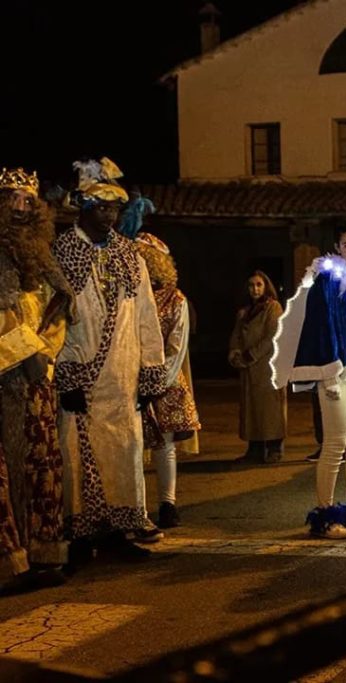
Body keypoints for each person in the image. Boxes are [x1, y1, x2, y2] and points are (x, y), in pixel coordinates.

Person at [54, 158, 166, 562]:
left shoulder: (129, 255)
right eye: (100, 208)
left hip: (123, 376)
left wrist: (151, 375)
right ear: (83, 207)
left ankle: (120, 530)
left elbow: (147, 317)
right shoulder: (63, 252)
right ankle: (83, 535)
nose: (108, 216)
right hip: (80, 374)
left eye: (114, 209)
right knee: (76, 454)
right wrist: (64, 374)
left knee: (125, 450)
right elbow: (51, 320)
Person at [271, 220, 346, 540]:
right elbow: (320, 326)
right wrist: (329, 373)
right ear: (336, 247)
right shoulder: (325, 279)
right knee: (335, 444)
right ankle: (326, 513)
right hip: (335, 371)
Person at [0, 167, 74, 591]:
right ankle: (11, 564)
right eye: (13, 199)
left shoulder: (40, 253)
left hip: (37, 376)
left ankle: (40, 554)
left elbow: (59, 306)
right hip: (6, 376)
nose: (22, 208)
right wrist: (23, 351)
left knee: (40, 466)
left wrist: (44, 350)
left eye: (29, 200)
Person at [133, 233, 201, 530]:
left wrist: (157, 383)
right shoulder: (130, 294)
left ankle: (167, 504)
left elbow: (177, 345)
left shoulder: (176, 299)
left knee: (165, 445)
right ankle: (135, 508)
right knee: (132, 446)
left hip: (165, 380)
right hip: (130, 378)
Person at [229, 271, 287, 463]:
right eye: (252, 285)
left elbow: (271, 336)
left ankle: (274, 447)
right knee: (251, 408)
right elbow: (236, 335)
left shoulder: (273, 308)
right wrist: (236, 352)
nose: (255, 289)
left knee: (270, 409)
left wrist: (251, 354)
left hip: (267, 366)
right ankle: (254, 448)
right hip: (249, 368)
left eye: (259, 285)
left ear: (265, 286)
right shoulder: (245, 311)